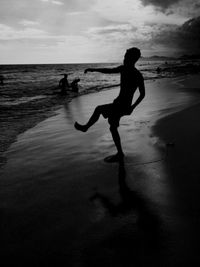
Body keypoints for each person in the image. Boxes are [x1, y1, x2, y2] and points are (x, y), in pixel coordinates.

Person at [74, 47, 145, 162]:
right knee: (112, 127)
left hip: (121, 106)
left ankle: (86, 128)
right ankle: (119, 153)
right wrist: (132, 107)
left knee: (99, 110)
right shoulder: (135, 73)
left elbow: (142, 94)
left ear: (132, 59)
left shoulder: (129, 71)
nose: (124, 58)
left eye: (126, 57)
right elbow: (142, 94)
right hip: (123, 105)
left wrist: (132, 107)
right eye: (124, 56)